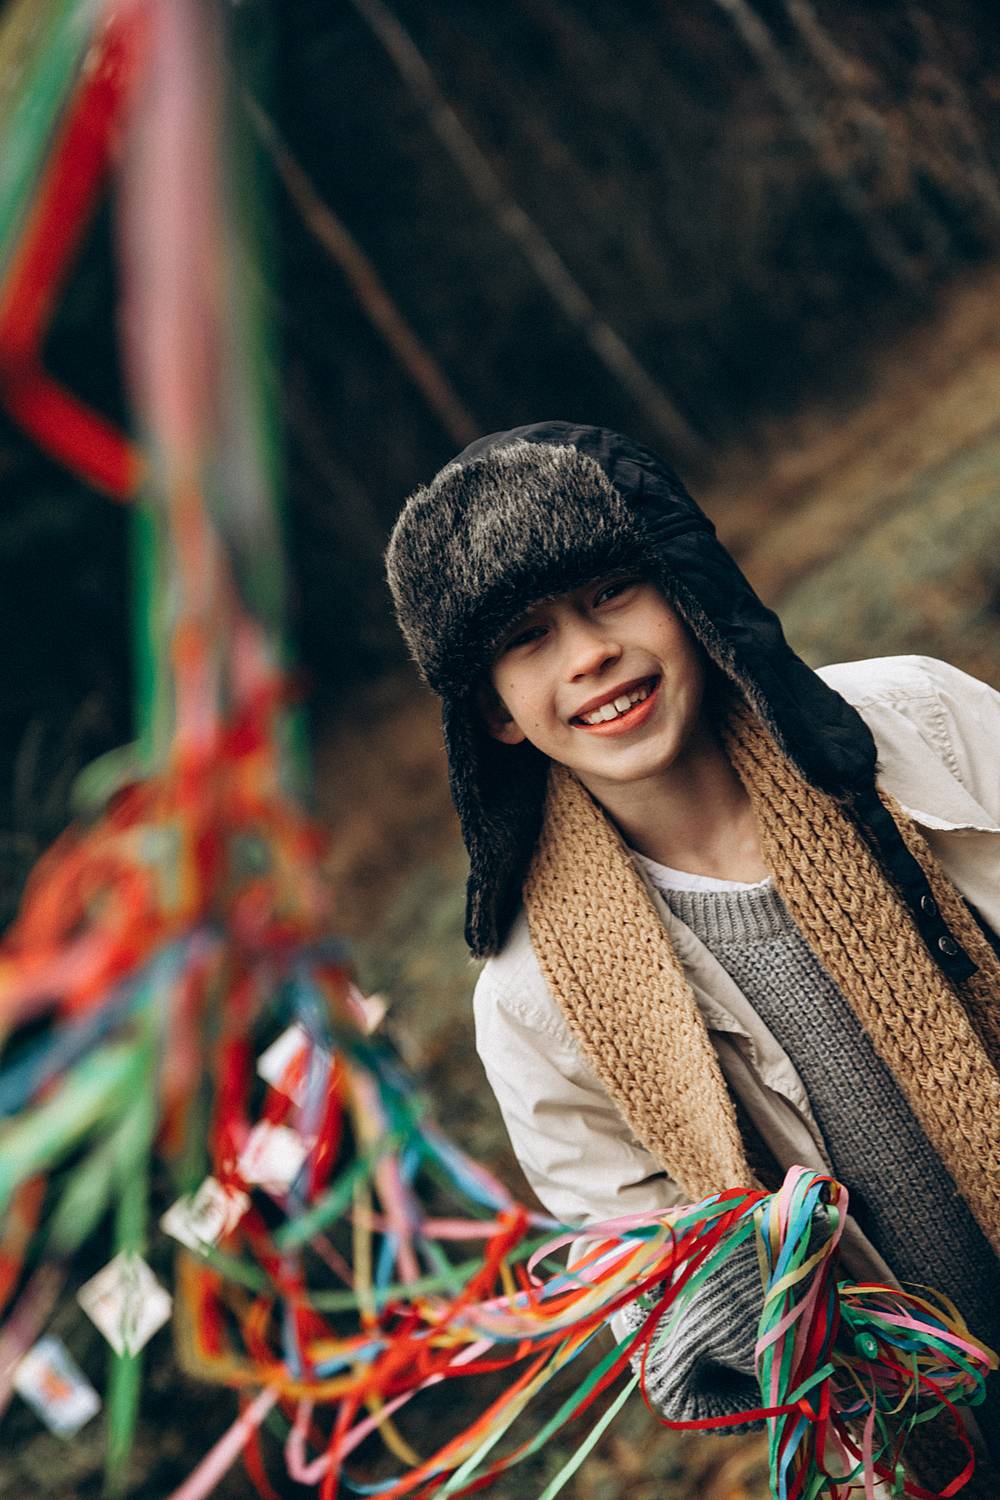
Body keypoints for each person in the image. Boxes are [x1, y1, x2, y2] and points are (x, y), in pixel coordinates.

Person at [385, 421, 1000, 1490]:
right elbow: (629, 1258)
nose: (589, 654)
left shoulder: (914, 721)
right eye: (527, 638)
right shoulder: (532, 1003)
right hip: (935, 1451)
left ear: (684, 587)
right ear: (492, 712)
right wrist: (702, 1310)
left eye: (612, 592)